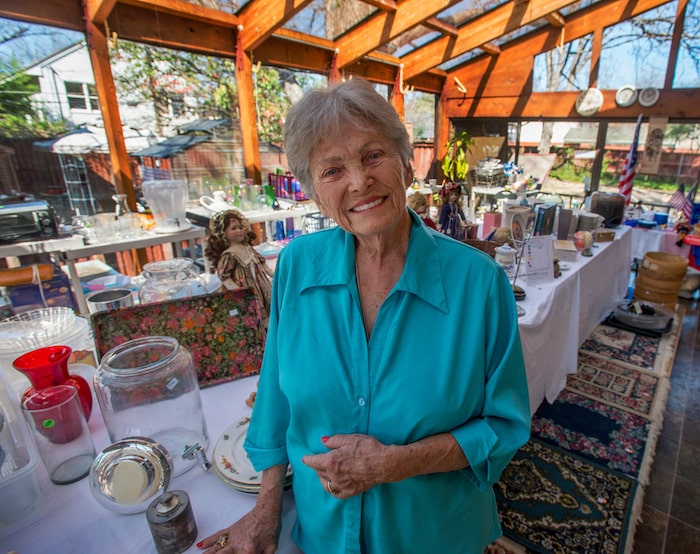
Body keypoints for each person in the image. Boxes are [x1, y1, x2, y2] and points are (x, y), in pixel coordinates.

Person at [198, 78, 529, 553]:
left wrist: (394, 463)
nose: (359, 181)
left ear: (405, 164)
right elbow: (275, 396)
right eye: (332, 170)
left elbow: (504, 427)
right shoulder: (296, 266)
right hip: (323, 532)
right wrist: (268, 509)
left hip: (432, 535)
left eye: (373, 156)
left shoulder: (479, 284)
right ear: (313, 192)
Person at [204, 209, 273, 322]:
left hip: (261, 287)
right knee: (249, 313)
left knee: (266, 309)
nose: (239, 231)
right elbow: (224, 277)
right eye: (233, 228)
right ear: (224, 233)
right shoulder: (229, 255)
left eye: (240, 228)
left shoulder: (248, 249)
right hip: (244, 292)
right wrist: (238, 291)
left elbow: (262, 264)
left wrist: (274, 274)